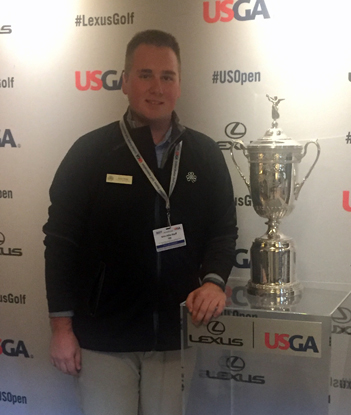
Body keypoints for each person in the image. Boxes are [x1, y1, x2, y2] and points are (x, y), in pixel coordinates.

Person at [43, 29, 237, 415]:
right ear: (125, 81)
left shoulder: (205, 153)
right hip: (104, 336)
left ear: (179, 84)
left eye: (167, 76)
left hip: (174, 336)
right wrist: (61, 330)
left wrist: (215, 280)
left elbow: (223, 229)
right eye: (145, 75)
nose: (156, 87)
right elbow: (60, 243)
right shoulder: (90, 152)